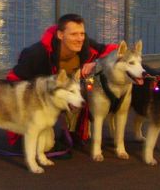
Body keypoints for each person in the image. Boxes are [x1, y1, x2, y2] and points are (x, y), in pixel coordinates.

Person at [6, 13, 118, 149]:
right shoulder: (37, 54)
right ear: (60, 35)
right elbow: (11, 85)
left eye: (82, 34)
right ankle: (29, 136)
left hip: (66, 96)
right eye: (74, 34)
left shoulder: (87, 47)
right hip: (37, 106)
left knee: (85, 88)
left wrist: (97, 62)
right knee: (45, 146)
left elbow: (116, 52)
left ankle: (72, 132)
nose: (79, 39)